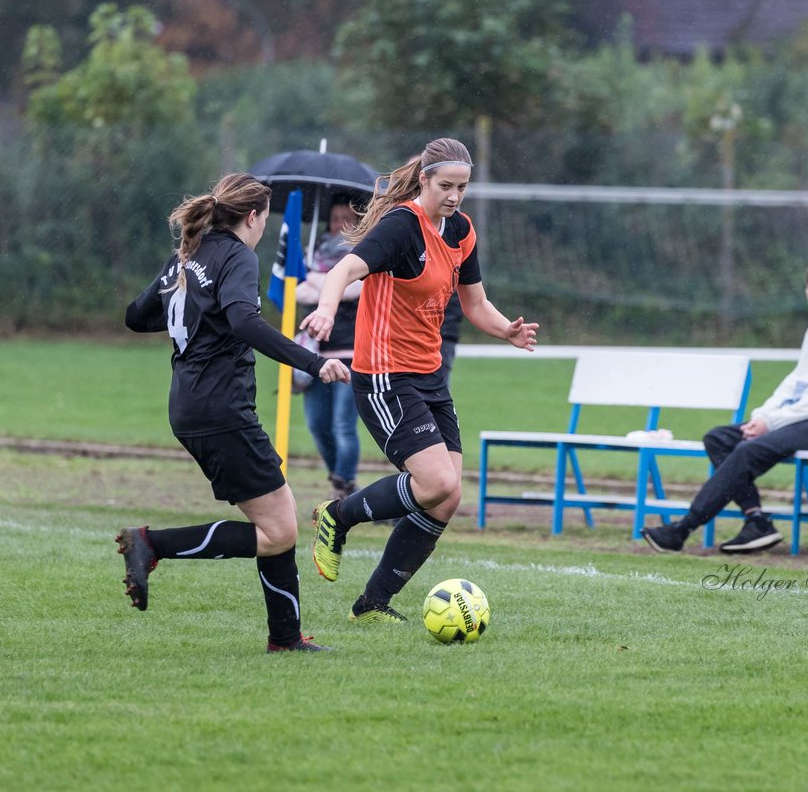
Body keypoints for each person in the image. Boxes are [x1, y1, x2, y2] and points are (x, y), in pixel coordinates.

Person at [299, 137, 538, 623]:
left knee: (448, 497)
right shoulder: (402, 226)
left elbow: (474, 303)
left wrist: (505, 330)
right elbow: (344, 269)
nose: (454, 196)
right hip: (384, 375)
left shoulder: (461, 230)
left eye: (462, 187)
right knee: (434, 482)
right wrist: (324, 311)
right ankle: (336, 516)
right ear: (425, 179)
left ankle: (372, 604)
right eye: (446, 186)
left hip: (427, 377)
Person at [116, 173, 350, 652]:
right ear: (253, 216)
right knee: (279, 530)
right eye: (267, 218)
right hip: (221, 408)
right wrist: (314, 361)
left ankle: (285, 638)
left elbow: (136, 316)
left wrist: (188, 299)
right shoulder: (239, 255)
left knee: (278, 521)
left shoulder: (189, 252)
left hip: (189, 406)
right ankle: (152, 543)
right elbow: (244, 321)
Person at [642, 258, 808, 554]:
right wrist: (763, 416)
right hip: (804, 419)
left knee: (747, 449)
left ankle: (682, 529)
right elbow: (795, 383)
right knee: (719, 438)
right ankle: (757, 522)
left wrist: (772, 423)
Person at [297, 197, 364, 502]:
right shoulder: (315, 252)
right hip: (313, 357)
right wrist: (326, 284)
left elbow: (354, 288)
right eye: (336, 218)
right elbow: (295, 290)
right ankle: (342, 481)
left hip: (352, 354)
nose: (341, 225)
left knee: (342, 425)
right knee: (317, 424)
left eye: (348, 219)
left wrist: (317, 284)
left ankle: (344, 483)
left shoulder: (367, 256)